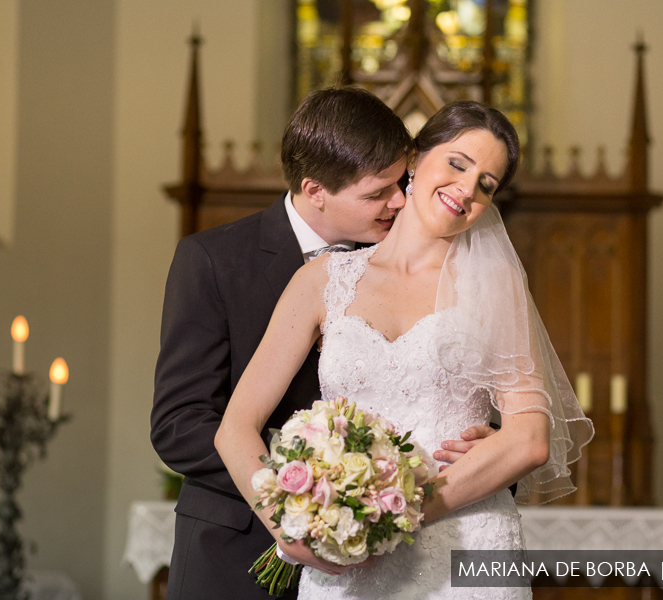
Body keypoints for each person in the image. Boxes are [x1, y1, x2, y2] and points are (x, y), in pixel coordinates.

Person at [216, 101, 594, 599]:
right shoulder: (322, 281)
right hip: (343, 554)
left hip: (466, 547)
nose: (466, 188)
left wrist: (393, 517)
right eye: (458, 163)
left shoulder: (493, 285)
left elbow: (529, 440)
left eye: (487, 183)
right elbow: (235, 427)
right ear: (415, 159)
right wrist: (293, 529)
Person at [151, 88, 500, 600]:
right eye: (378, 192)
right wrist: (316, 485)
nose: (399, 201)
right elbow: (178, 423)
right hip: (236, 554)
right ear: (316, 190)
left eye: (401, 181)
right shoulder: (214, 260)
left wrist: (485, 445)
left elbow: (445, 391)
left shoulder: (408, 260)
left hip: (387, 559)